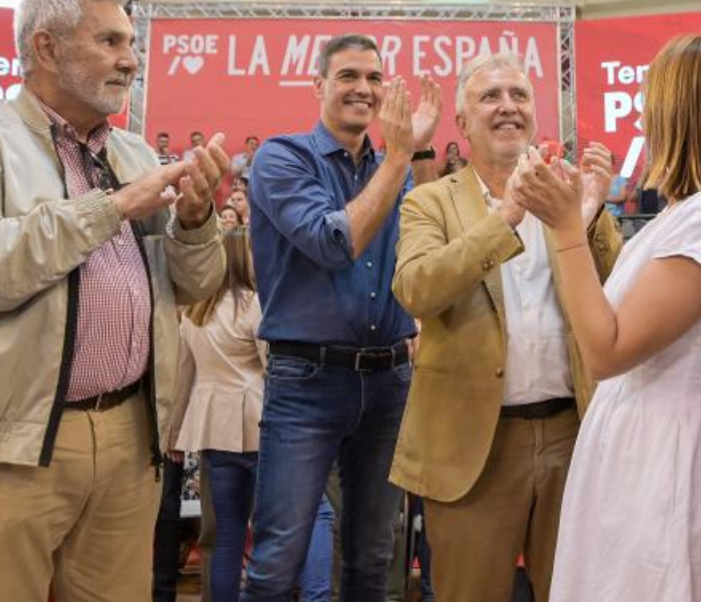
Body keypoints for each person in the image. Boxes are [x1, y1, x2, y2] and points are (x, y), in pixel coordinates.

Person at [0, 0, 230, 602]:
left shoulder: (135, 155)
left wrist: (195, 221)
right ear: (47, 46)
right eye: (109, 41)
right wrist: (110, 209)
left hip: (131, 439)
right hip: (6, 443)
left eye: (130, 43)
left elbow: (195, 290)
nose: (130, 60)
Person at [514, 35, 701, 602]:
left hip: (671, 453)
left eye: (651, 103)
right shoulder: (691, 211)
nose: (644, 120)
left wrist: (563, 231)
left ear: (680, 112)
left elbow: (607, 349)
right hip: (648, 440)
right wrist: (578, 216)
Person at [389, 53, 621, 602]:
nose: (507, 107)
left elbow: (616, 295)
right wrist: (506, 218)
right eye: (489, 97)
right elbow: (417, 288)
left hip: (573, 434)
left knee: (579, 591)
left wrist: (589, 218)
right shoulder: (429, 202)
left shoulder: (568, 196)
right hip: (475, 448)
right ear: (463, 124)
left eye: (518, 95)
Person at [242, 34, 441, 602]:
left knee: (374, 558)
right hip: (307, 380)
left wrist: (417, 152)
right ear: (318, 85)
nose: (364, 88)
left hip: (389, 381)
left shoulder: (393, 165)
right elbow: (335, 242)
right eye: (349, 75)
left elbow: (431, 238)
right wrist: (400, 156)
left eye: (375, 78)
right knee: (279, 559)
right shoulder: (283, 158)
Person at [171, 229, 333, 602]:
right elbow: (275, 369)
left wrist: (173, 433)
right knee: (301, 520)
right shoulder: (256, 305)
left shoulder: (193, 313)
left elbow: (183, 376)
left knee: (227, 535)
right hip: (262, 427)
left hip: (212, 431)